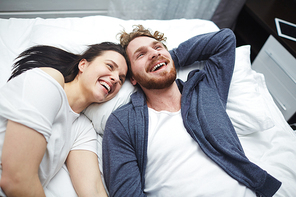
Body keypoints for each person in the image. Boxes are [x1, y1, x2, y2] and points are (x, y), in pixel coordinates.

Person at [102, 25, 282, 197]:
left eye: (157, 47)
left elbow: (225, 39)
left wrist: (166, 59)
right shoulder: (122, 123)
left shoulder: (206, 89)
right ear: (132, 78)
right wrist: (155, 62)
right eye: (140, 54)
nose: (154, 52)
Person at [0, 42, 129, 196]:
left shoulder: (82, 128)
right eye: (110, 66)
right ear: (83, 65)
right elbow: (16, 179)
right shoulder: (49, 80)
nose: (115, 78)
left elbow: (93, 191)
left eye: (121, 79)